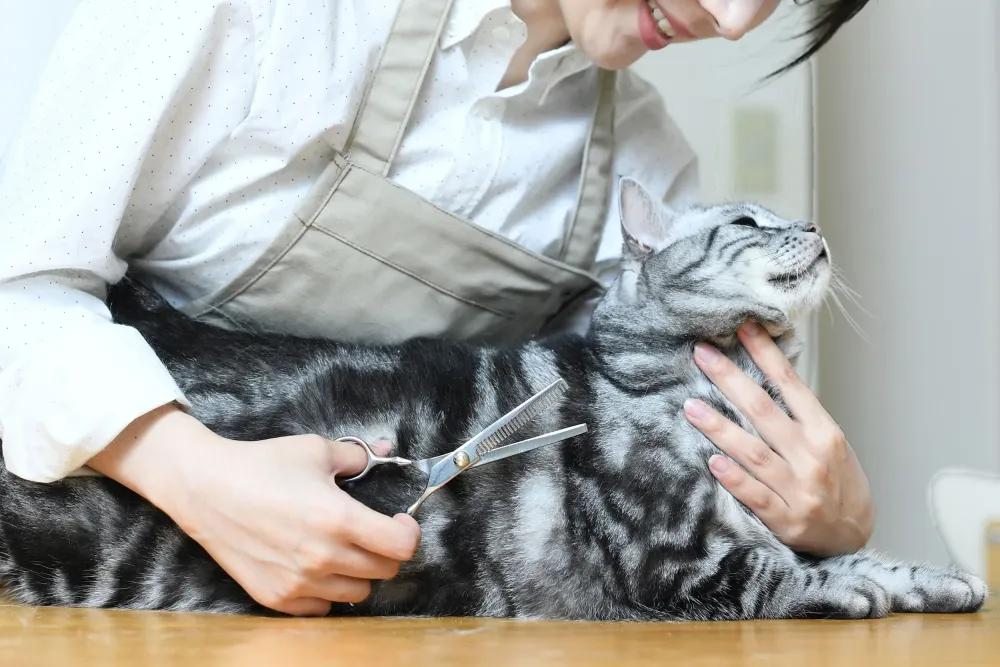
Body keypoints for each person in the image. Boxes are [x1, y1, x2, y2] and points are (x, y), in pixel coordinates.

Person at [0, 0, 873, 616]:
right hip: (88, 581)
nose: (733, 18)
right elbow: (25, 290)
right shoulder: (257, 17)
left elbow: (657, 474)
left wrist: (822, 517)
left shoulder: (643, 171)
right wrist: (195, 476)